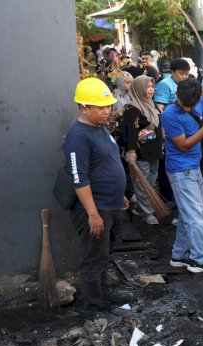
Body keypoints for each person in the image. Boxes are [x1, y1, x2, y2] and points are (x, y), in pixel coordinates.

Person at [63, 78, 130, 317]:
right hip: (95, 208)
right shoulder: (78, 136)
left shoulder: (100, 127)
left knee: (104, 254)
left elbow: (108, 162)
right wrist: (92, 214)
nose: (107, 111)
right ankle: (94, 308)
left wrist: (119, 194)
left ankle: (104, 296)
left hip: (109, 204)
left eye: (108, 106)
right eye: (100, 107)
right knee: (93, 257)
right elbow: (79, 178)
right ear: (83, 107)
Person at [161, 79, 203, 273]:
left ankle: (179, 256)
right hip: (180, 170)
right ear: (177, 96)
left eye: (191, 104)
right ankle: (199, 259)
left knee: (187, 214)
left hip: (193, 166)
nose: (187, 108)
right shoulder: (170, 114)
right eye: (184, 104)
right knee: (197, 216)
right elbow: (183, 144)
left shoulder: (197, 102)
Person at [123, 76, 163, 225]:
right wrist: (131, 151)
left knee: (151, 183)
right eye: (148, 86)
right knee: (141, 184)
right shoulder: (132, 109)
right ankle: (147, 213)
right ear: (139, 88)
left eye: (152, 86)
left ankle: (140, 208)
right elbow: (131, 133)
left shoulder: (151, 105)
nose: (151, 89)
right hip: (141, 153)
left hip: (155, 151)